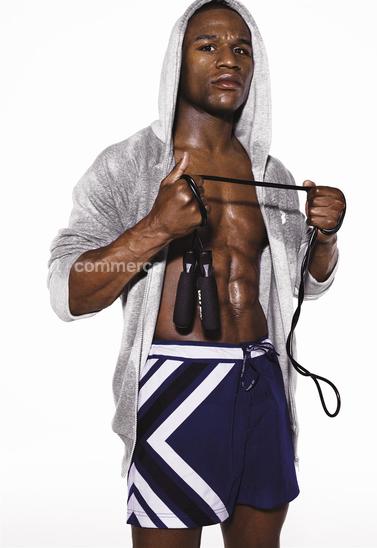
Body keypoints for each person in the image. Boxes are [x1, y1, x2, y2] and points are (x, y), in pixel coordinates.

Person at [47, 0, 345, 546]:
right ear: (177, 61)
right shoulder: (128, 166)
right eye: (208, 46)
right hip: (175, 385)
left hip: (262, 380)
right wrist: (155, 228)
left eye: (242, 49)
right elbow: (69, 292)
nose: (228, 59)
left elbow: (307, 282)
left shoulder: (271, 173)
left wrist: (324, 236)